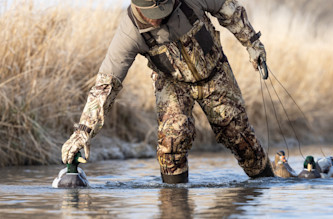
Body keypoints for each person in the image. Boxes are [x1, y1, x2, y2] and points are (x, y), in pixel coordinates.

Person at [61, 0, 274, 184]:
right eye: (154, 15)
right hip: (172, 83)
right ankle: (174, 201)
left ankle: (265, 185)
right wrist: (83, 131)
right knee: (173, 139)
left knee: (239, 136)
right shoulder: (129, 32)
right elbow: (105, 86)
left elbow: (229, 9)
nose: (159, 19)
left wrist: (252, 44)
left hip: (215, 72)